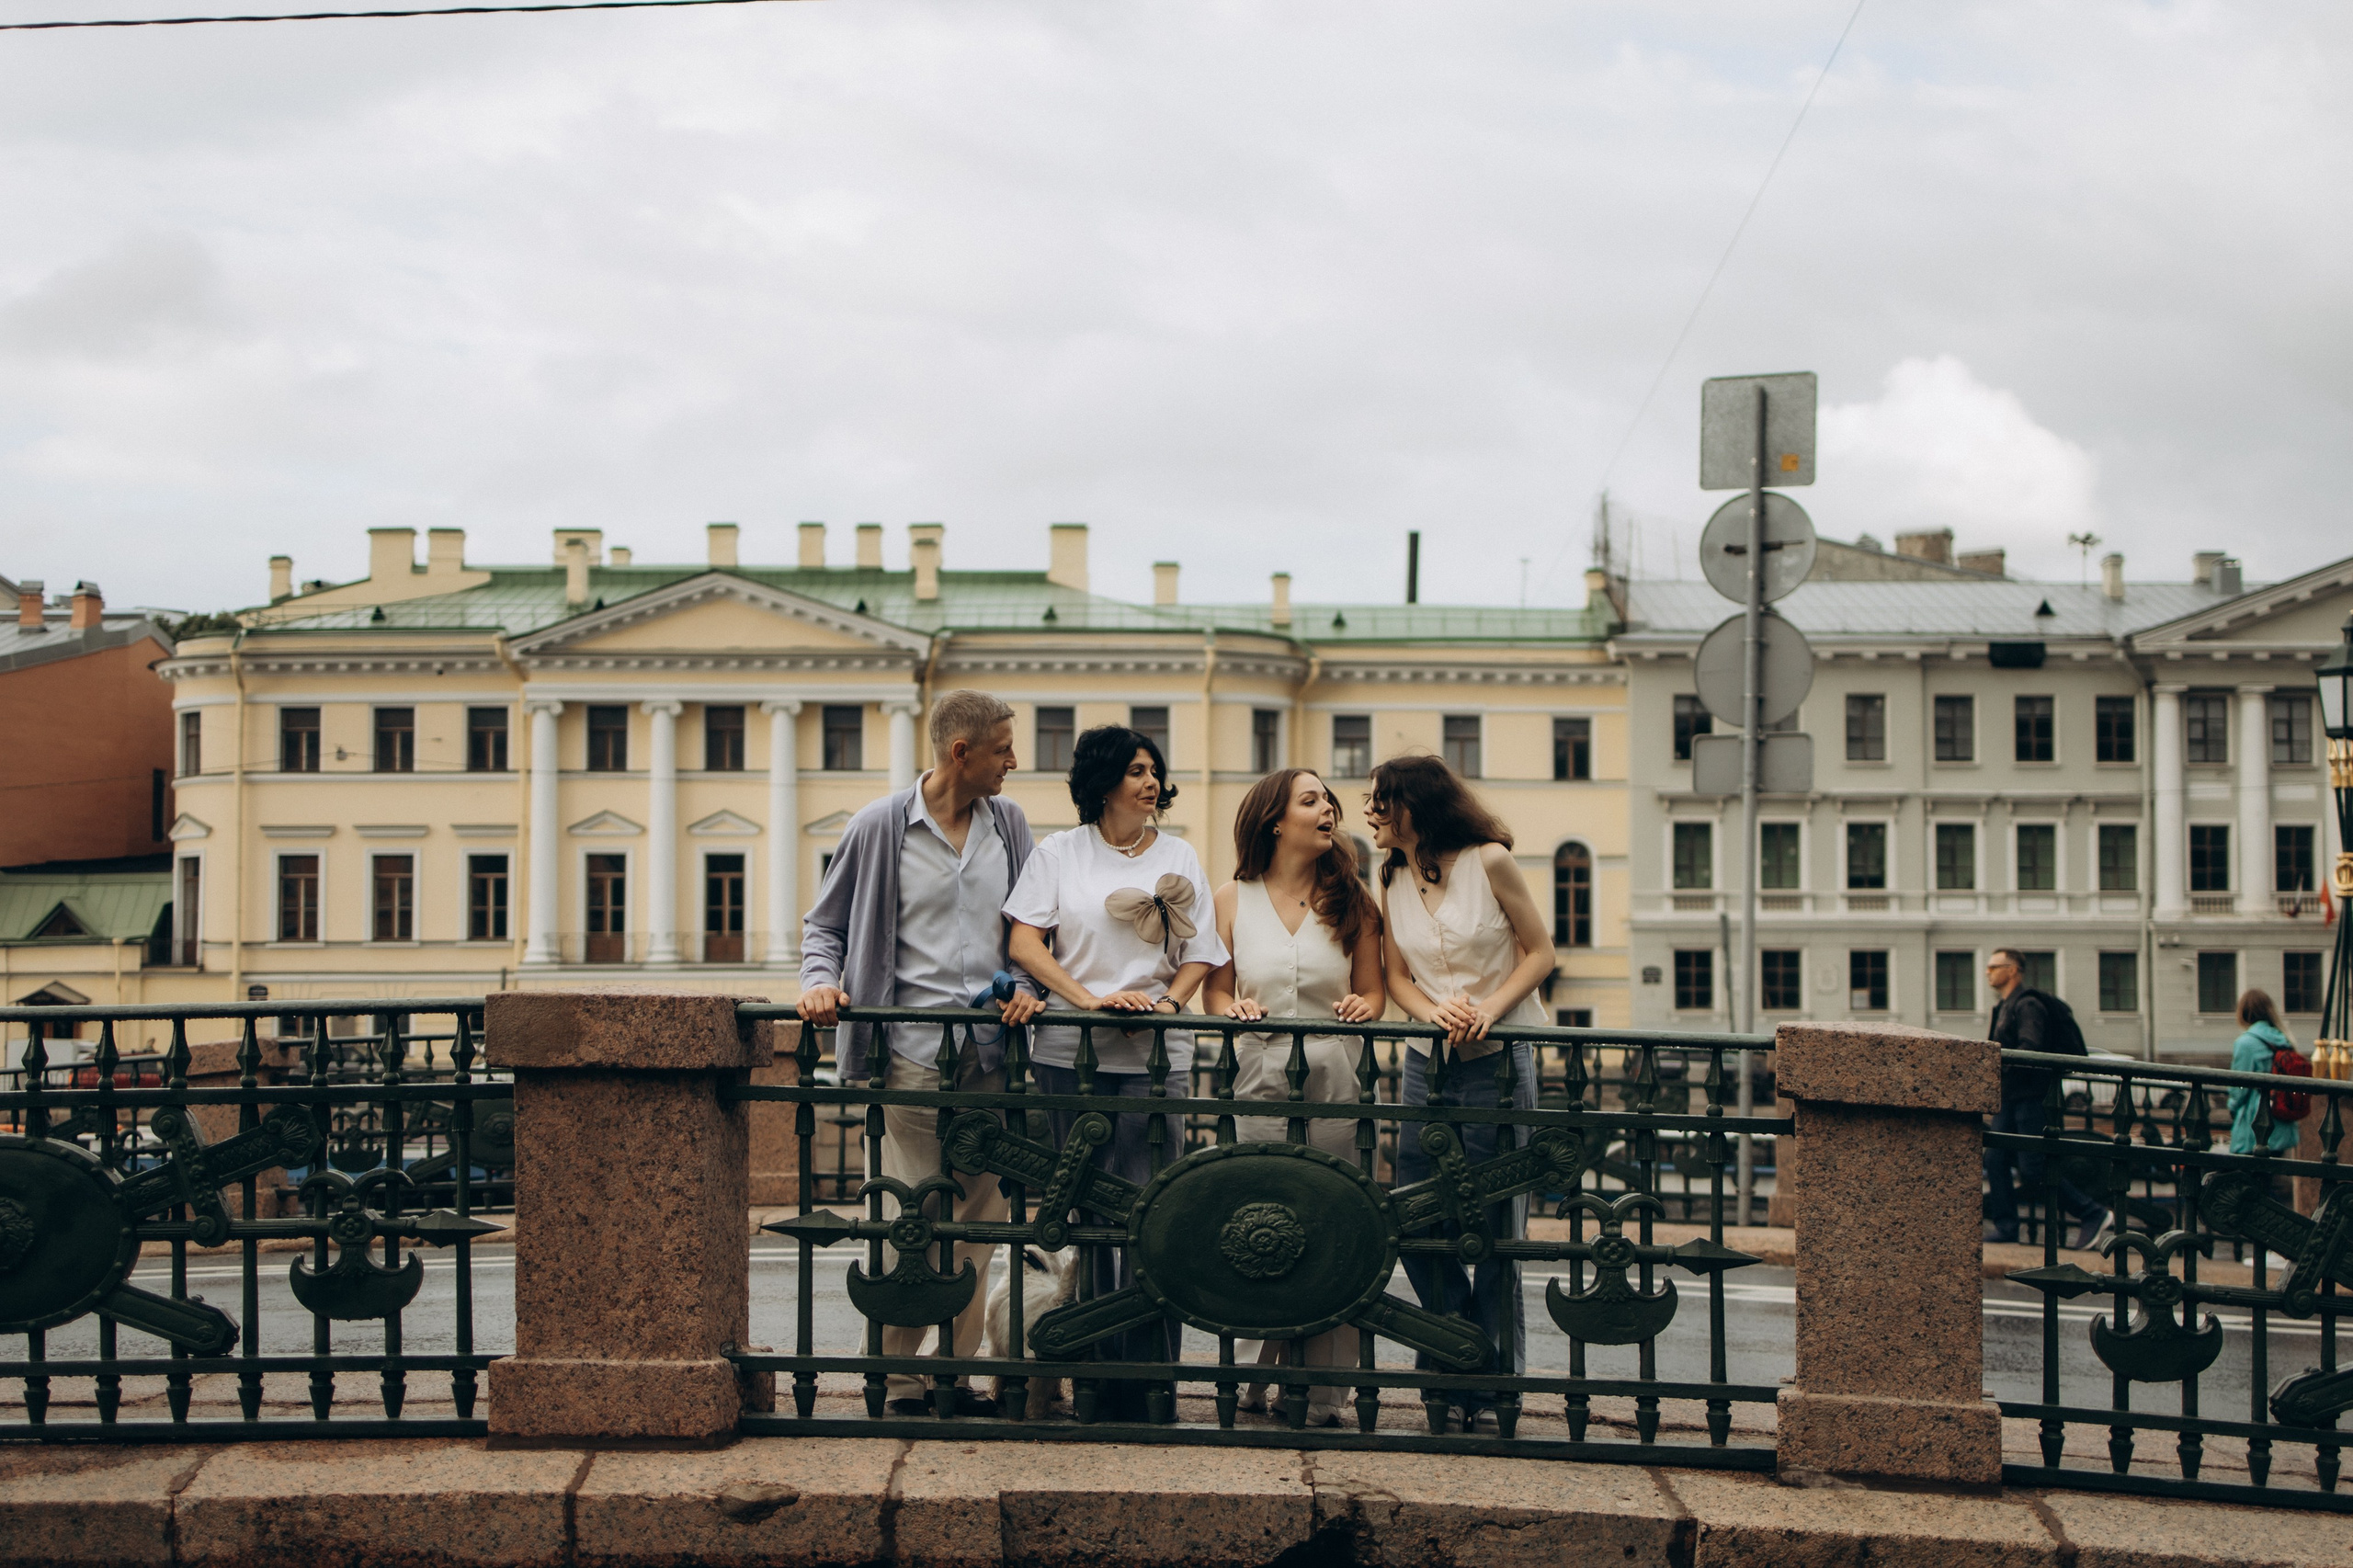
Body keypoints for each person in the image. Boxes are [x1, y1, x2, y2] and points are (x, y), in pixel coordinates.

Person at [798, 690, 1047, 1417]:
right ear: (959, 752)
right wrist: (819, 983)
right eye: (1003, 747)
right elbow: (826, 926)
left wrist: (1027, 985)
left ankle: (952, 1378)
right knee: (909, 1217)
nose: (1014, 761)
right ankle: (897, 1380)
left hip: (991, 1055)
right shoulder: (880, 826)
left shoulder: (1010, 823)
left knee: (976, 1224)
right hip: (907, 1053)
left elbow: (1034, 927)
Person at [1005, 723, 1228, 1422]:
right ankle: (1098, 1379)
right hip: (1070, 1055)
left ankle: (1152, 1380)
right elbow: (1024, 944)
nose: (1150, 781)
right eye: (1135, 770)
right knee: (1091, 1209)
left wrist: (1165, 1003)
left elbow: (1203, 952)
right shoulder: (1058, 853)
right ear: (1103, 781)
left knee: (1152, 1210)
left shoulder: (1180, 854)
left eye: (1154, 769)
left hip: (1155, 1060)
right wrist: (1092, 1002)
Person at [1365, 754, 1554, 1435]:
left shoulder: (1490, 861)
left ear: (1418, 803)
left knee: (1499, 1226)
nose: (1372, 813)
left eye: (1383, 801)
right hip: (1428, 1064)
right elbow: (1396, 979)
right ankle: (1457, 1350)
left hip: (1502, 1063)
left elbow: (1539, 953)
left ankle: (1495, 1388)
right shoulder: (1389, 875)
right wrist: (1431, 1015)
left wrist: (1490, 1009)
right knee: (1416, 1217)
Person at [1201, 767, 1385, 1426]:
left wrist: (1363, 1006)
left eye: (1329, 800)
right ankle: (1252, 1378)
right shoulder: (1230, 898)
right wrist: (1232, 1009)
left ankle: (1324, 1387)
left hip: (1338, 1075)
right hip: (1259, 1072)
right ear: (1275, 821)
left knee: (1333, 1217)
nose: (1329, 808)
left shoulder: (1356, 901)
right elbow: (1214, 992)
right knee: (1257, 1215)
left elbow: (1375, 992)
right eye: (1311, 800)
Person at [1981, 947, 2110, 1250]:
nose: (1988, 972)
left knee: (2033, 1167)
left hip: (2032, 1097)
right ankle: (2007, 1226)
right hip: (2010, 1097)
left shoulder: (2028, 1005)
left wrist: (2003, 1065)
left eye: (1994, 966)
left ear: (2013, 970)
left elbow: (2030, 1048)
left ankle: (2093, 1213)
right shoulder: (2003, 1007)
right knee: (1995, 1159)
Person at [2227, 989, 2303, 1159]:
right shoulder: (2284, 1039)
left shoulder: (2246, 1043)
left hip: (2255, 1128)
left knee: (2248, 1180)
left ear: (2244, 1012)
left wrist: (2232, 1108)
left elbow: (2238, 1090)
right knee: (2270, 1178)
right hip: (2282, 1125)